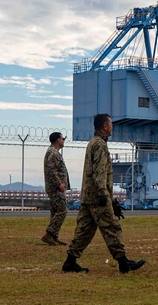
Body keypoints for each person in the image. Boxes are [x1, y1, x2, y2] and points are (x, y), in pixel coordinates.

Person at [62, 114, 146, 274]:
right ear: (105, 127)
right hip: (97, 197)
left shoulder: (93, 143)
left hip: (88, 196)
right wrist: (103, 195)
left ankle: (70, 262)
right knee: (112, 227)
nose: (112, 127)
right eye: (111, 124)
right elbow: (99, 172)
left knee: (84, 230)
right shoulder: (100, 145)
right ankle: (123, 262)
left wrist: (111, 199)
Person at [41, 132, 71, 246]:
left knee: (55, 212)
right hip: (55, 188)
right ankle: (49, 234)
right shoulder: (52, 153)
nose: (63, 140)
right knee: (62, 210)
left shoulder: (54, 152)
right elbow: (51, 170)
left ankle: (53, 237)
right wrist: (59, 184)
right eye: (62, 138)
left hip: (55, 187)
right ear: (58, 140)